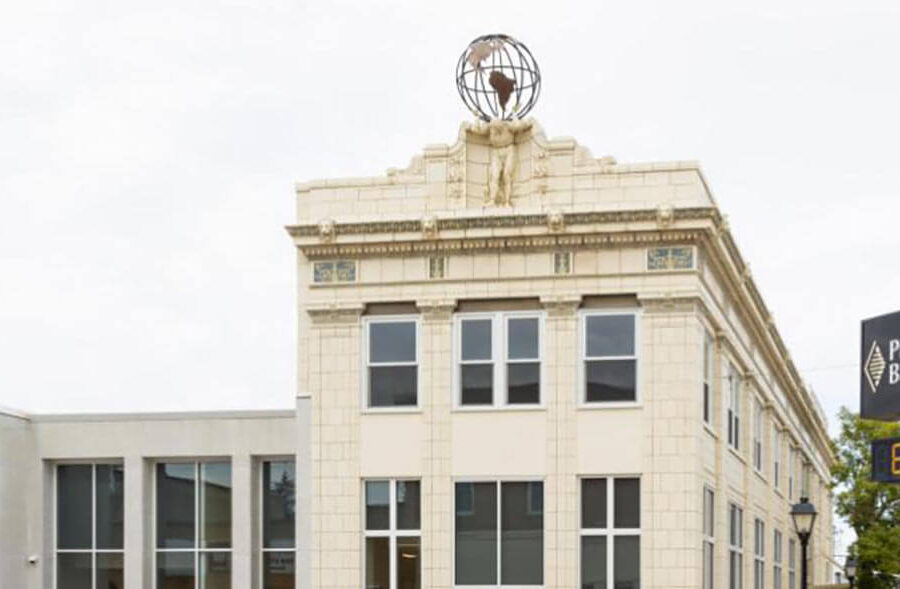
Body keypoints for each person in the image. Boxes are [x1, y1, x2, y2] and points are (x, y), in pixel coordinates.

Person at [467, 118, 533, 206]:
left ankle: (507, 201)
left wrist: (515, 116)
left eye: (497, 129)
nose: (495, 131)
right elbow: (477, 130)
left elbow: (520, 126)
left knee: (507, 175)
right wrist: (477, 118)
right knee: (494, 175)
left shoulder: (508, 126)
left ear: (501, 126)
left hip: (509, 151)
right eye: (494, 129)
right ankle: (492, 200)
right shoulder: (490, 128)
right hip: (496, 153)